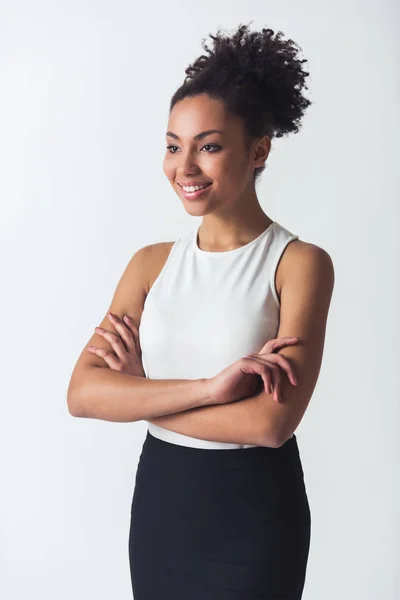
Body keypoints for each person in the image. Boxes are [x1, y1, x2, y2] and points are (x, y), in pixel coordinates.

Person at [68, 22, 334, 600]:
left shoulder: (299, 264)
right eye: (173, 145)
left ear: (258, 149)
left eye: (207, 146)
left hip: (254, 515)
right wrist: (214, 389)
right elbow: (82, 395)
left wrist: (140, 397)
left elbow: (269, 424)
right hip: (164, 505)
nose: (183, 167)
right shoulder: (149, 265)